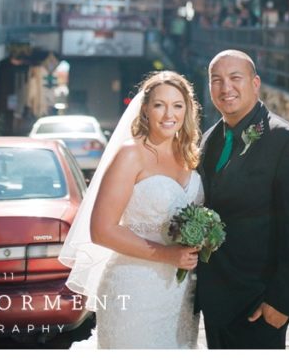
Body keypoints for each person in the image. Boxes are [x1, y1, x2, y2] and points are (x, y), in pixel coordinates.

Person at [59, 71, 204, 349]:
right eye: (159, 105)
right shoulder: (130, 154)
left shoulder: (189, 155)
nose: (168, 114)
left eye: (177, 105)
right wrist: (166, 254)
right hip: (134, 286)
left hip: (180, 294)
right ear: (145, 109)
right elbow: (102, 230)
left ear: (187, 110)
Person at [196, 50, 289, 349]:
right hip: (215, 303)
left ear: (255, 83)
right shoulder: (208, 139)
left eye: (235, 78)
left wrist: (282, 302)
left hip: (258, 304)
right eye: (217, 80)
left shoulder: (288, 143)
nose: (226, 88)